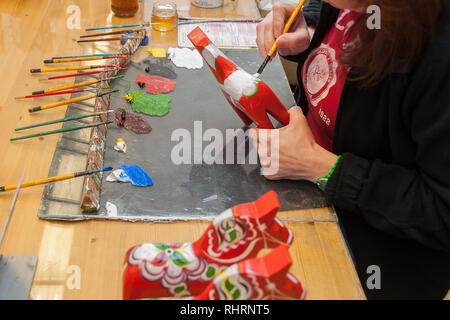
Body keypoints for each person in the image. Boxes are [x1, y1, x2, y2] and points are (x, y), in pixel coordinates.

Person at [254, 0, 450, 299]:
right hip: (303, 197)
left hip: (366, 262)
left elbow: (441, 212)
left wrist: (323, 168)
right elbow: (342, 18)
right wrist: (309, 26)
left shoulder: (438, 55)